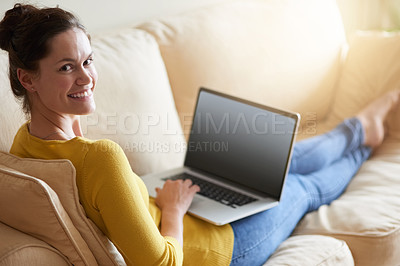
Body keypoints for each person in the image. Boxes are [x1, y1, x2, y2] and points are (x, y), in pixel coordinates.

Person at [1, 3, 399, 265]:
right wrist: (173, 208)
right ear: (27, 78)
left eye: (88, 60)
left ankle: (360, 126)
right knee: (302, 186)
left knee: (282, 159)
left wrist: (71, 118)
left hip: (178, 207)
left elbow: (89, 186)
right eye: (66, 67)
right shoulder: (99, 157)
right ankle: (364, 142)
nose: (87, 77)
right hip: (214, 246)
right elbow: (159, 264)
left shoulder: (23, 145)